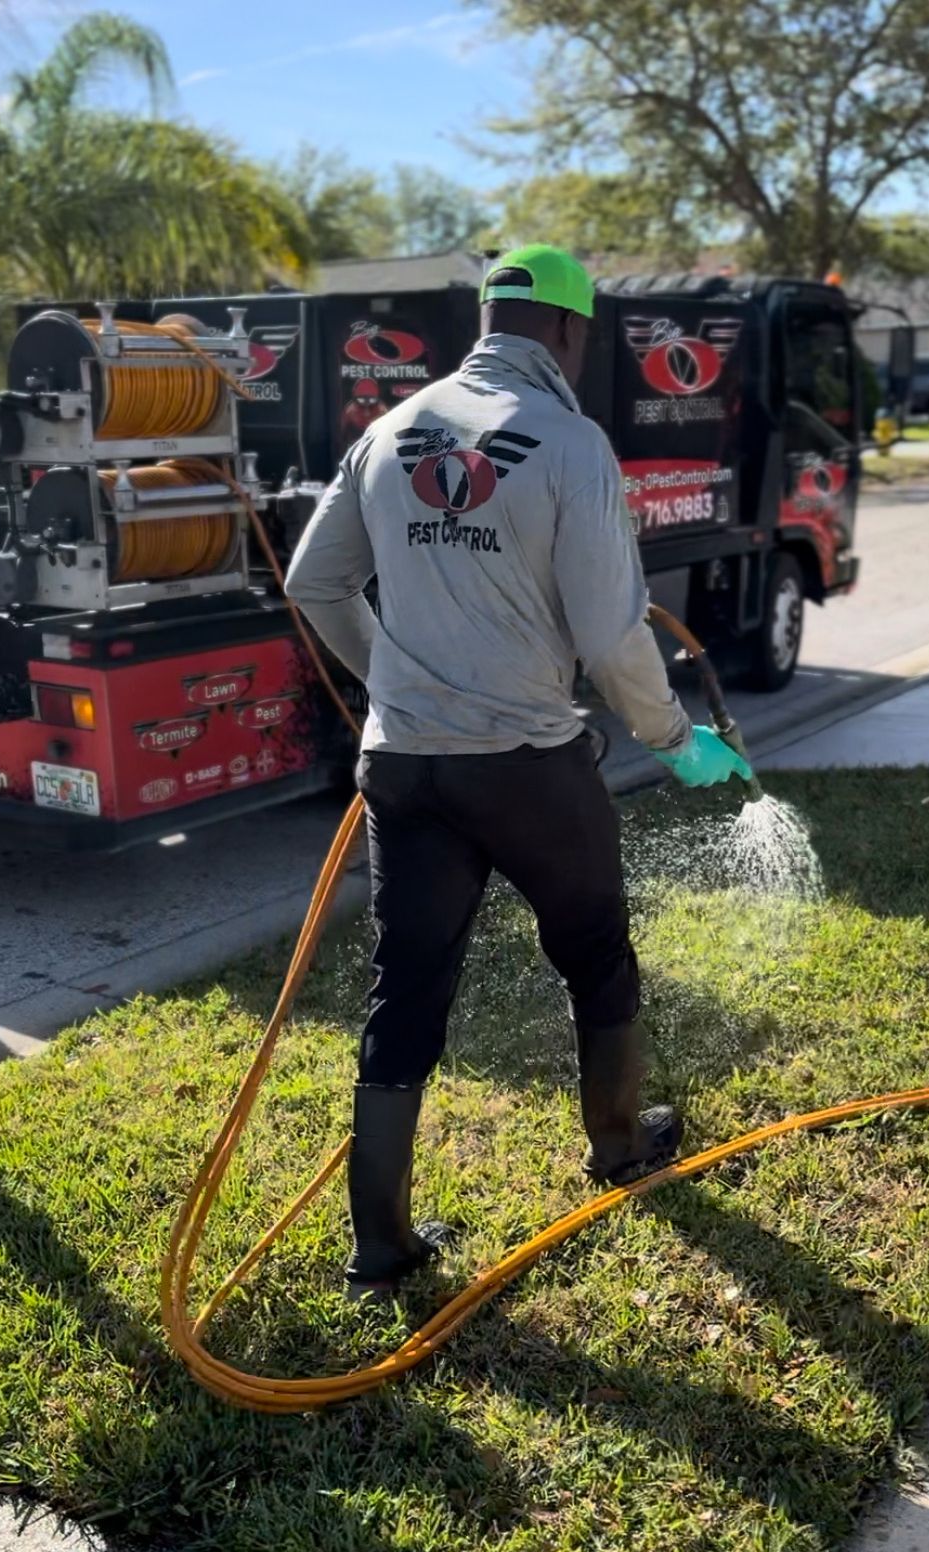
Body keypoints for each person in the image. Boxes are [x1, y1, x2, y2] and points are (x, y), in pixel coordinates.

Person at [286, 243, 750, 1295]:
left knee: (404, 989)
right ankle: (620, 1142)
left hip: (404, 766)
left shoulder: (388, 431)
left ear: (488, 321)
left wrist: (395, 680)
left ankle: (380, 1246)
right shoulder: (572, 444)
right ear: (572, 331)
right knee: (596, 954)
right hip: (526, 765)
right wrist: (675, 740)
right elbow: (611, 634)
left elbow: (316, 584)